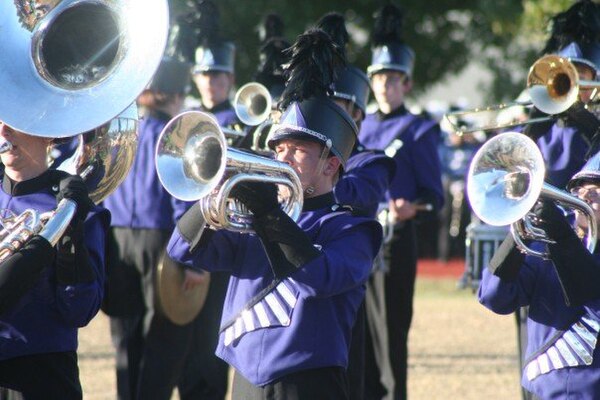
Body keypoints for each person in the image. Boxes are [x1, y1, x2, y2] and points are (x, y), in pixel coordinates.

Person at [166, 28, 383, 400]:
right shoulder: (253, 221)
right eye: (279, 147)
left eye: (298, 149)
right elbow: (181, 250)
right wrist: (211, 196)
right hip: (247, 379)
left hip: (309, 383)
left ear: (331, 164)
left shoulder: (353, 228)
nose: (282, 158)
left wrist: (269, 213)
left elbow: (318, 278)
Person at [357, 4, 444, 399]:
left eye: (393, 79)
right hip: (358, 241)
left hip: (395, 243)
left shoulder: (419, 128)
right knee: (360, 338)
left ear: (406, 84)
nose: (384, 86)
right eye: (379, 78)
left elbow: (434, 196)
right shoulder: (361, 125)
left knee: (391, 338)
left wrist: (413, 208)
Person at [101, 56, 195, 400]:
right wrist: (192, 261)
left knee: (125, 341)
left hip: (116, 239)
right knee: (165, 341)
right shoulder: (174, 136)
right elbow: (182, 200)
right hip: (162, 244)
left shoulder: (119, 133)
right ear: (173, 96)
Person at [316, 12, 397, 400]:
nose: (331, 116)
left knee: (353, 382)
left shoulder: (371, 161)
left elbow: (351, 194)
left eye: (342, 108)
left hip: (343, 289)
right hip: (295, 281)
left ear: (359, 116)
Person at [478, 149, 600, 399]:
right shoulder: (544, 247)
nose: (585, 194)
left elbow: (589, 292)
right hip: (543, 389)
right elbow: (494, 298)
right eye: (579, 187)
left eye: (597, 189)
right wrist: (517, 237)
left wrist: (563, 239)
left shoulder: (560, 240)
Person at [0, 121, 108, 399]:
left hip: (41, 374)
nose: (3, 132)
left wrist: (70, 232)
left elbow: (80, 310)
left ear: (46, 133)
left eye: (14, 122)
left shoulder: (74, 208)